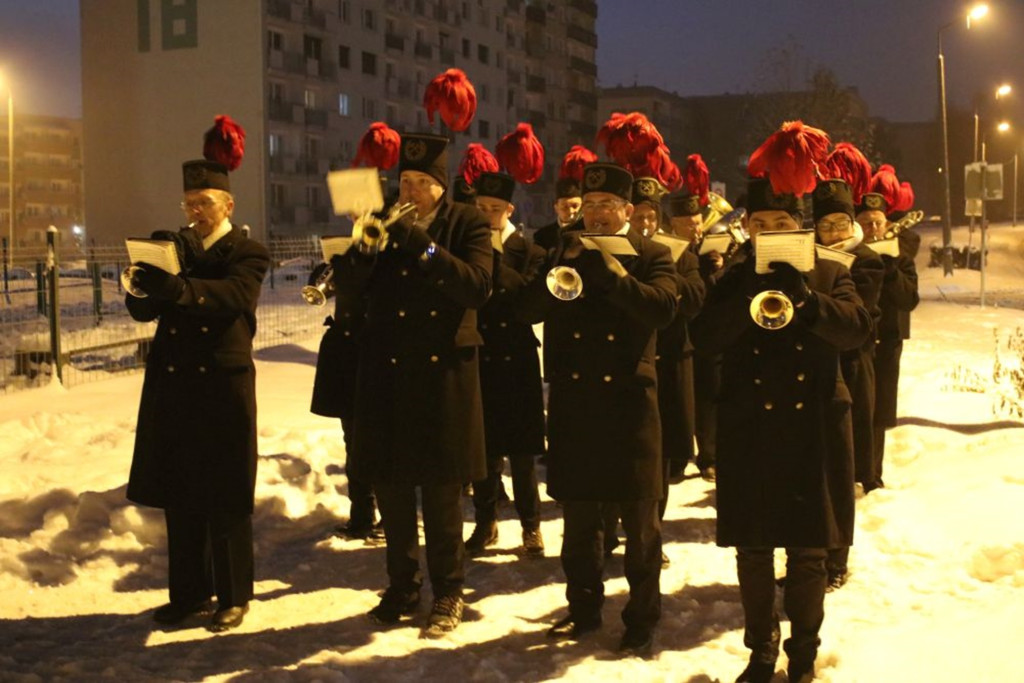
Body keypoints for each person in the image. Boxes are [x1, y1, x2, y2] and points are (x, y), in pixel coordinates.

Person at [691, 126, 872, 682]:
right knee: (753, 548)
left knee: (809, 553)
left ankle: (803, 653)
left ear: (800, 227)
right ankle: (761, 649)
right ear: (747, 228)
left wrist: (807, 299)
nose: (769, 233)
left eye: (781, 226)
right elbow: (706, 338)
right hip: (750, 428)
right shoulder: (734, 277)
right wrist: (746, 286)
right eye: (759, 225)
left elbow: (857, 331)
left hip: (814, 426)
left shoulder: (832, 272)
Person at [332, 132, 492, 637]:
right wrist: (359, 247)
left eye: (423, 182)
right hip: (387, 372)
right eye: (405, 181)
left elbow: (476, 286)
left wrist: (422, 248)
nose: (412, 191)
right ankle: (402, 585)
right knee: (392, 487)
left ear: (441, 188)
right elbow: (352, 292)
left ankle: (448, 590)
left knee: (442, 492)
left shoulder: (466, 222)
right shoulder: (381, 222)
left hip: (442, 372)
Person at [518, 162, 677, 655]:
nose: (597, 214)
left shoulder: (653, 254)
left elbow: (663, 309)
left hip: (630, 404)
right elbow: (525, 311)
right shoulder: (563, 249)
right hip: (576, 403)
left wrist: (611, 277)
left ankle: (641, 617)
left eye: (607, 206)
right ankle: (583, 608)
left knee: (640, 527)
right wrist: (553, 276)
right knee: (580, 522)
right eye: (589, 207)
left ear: (628, 210)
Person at [125, 116, 271, 633]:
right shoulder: (180, 249)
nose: (195, 213)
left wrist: (180, 290)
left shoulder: (249, 252)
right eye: (189, 205)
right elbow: (142, 311)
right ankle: (188, 594)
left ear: (227, 206)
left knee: (226, 497)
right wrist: (146, 279)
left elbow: (233, 297)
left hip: (224, 388)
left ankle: (234, 596)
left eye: (204, 203)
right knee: (182, 495)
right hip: (176, 387)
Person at [465, 171, 547, 557]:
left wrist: (492, 257)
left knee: (522, 452)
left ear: (509, 209)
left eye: (494, 210)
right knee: (483, 450)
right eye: (479, 208)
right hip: (479, 356)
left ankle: (531, 525)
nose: (485, 216)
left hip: (517, 361)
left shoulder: (529, 250)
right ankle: (485, 522)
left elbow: (527, 302)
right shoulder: (463, 248)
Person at [812, 177, 884, 592]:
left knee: (842, 469)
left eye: (841, 223)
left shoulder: (868, 259)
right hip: (816, 370)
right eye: (826, 226)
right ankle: (811, 556)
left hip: (853, 370)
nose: (835, 233)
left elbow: (857, 314)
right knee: (814, 465)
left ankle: (837, 559)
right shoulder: (807, 259)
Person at [857, 179, 920, 491]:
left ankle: (872, 474)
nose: (872, 228)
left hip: (886, 341)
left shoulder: (899, 256)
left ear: (886, 224)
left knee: (878, 411)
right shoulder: (849, 253)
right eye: (865, 222)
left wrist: (891, 268)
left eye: (877, 222)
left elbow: (909, 299)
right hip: (856, 340)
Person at [532, 150, 586, 250]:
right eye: (565, 207)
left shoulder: (589, 235)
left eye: (575, 206)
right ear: (556, 207)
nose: (571, 211)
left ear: (582, 206)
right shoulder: (542, 236)